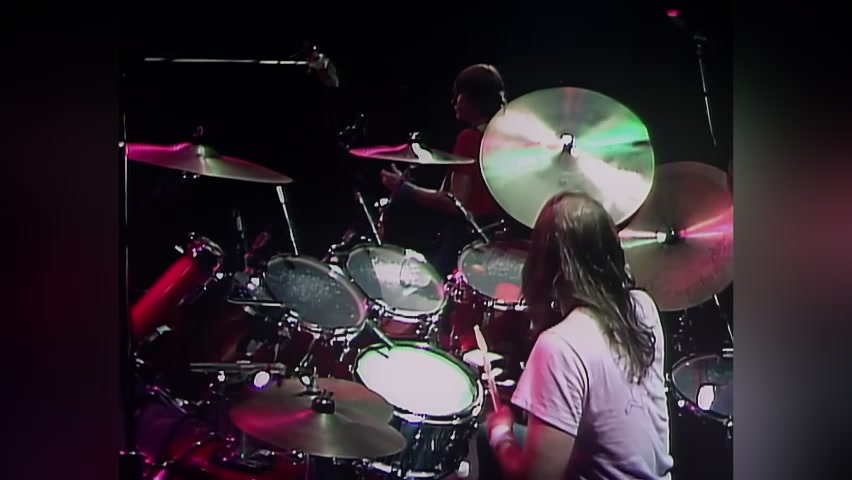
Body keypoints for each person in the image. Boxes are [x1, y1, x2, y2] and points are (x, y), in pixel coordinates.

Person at [478, 191, 674, 480]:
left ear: (546, 264)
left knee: (486, 435)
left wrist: (501, 434)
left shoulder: (559, 346)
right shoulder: (643, 308)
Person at [380, 64, 507, 276]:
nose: (453, 101)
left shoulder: (469, 139)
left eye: (457, 95)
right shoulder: (507, 138)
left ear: (473, 99)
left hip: (466, 242)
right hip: (498, 240)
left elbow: (457, 203)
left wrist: (404, 189)